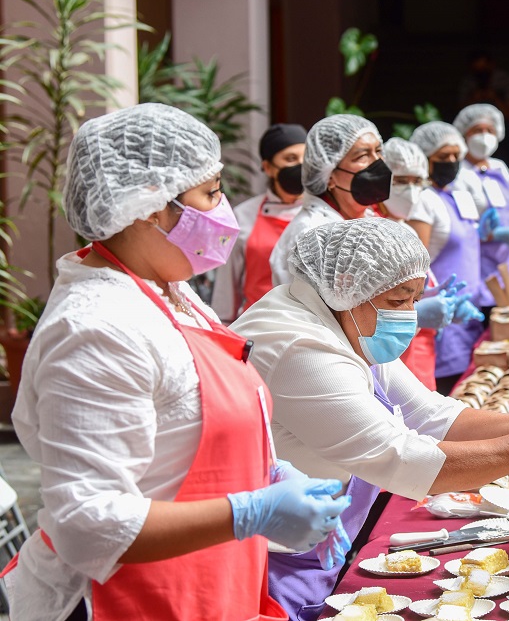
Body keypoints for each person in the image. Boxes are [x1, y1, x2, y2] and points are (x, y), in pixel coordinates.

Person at [0, 104, 351, 621]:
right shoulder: (96, 329)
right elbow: (87, 524)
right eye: (209, 193)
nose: (224, 208)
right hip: (131, 599)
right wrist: (251, 511)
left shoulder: (170, 289)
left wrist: (269, 470)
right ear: (148, 207)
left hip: (210, 583)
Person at [231, 217, 509, 620]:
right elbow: (403, 458)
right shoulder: (301, 348)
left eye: (414, 298)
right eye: (398, 301)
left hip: (314, 539)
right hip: (273, 557)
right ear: (345, 289)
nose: (410, 314)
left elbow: (429, 413)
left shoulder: (342, 318)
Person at [381, 137, 482, 390]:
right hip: (394, 361)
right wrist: (416, 315)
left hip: (420, 356)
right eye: (401, 181)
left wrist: (434, 295)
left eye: (418, 181)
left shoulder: (405, 228)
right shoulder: (374, 234)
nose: (412, 190)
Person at [409, 121, 488, 395]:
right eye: (443, 157)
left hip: (470, 314)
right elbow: (416, 265)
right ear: (425, 159)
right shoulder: (422, 200)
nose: (452, 162)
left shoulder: (459, 196)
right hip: (443, 319)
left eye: (456, 156)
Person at [269, 115, 391, 287]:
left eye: (378, 151)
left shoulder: (369, 217)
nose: (378, 162)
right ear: (329, 174)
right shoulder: (313, 235)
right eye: (363, 156)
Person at [212, 123, 306, 323]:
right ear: (268, 167)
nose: (300, 166)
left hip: (310, 327)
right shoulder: (243, 215)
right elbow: (226, 287)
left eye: (305, 159)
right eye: (291, 159)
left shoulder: (321, 213)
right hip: (257, 327)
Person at [452, 103, 509, 312]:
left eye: (490, 130)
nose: (484, 136)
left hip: (505, 258)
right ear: (464, 134)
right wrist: (494, 234)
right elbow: (459, 223)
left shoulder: (499, 167)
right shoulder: (459, 174)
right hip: (477, 258)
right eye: (477, 130)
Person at [457, 48, 509, 120]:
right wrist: (474, 98)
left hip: (502, 121)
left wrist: (494, 97)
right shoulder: (468, 81)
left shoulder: (504, 80)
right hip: (475, 120)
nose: (482, 75)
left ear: (492, 65)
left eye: (484, 70)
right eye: (477, 72)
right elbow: (461, 116)